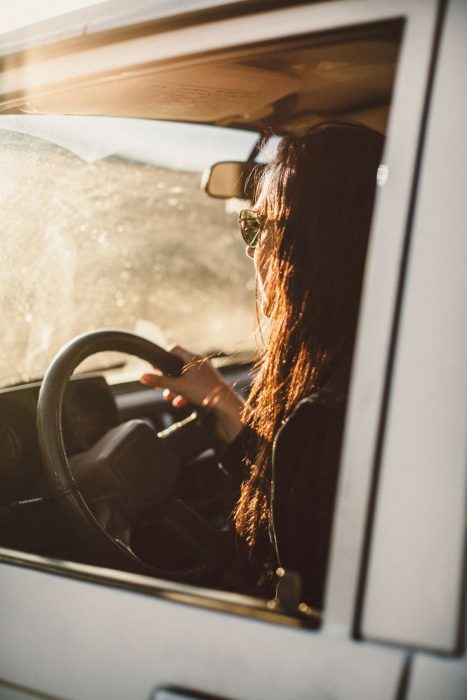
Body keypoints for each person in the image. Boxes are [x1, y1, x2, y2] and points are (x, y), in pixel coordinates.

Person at [141, 121, 384, 610]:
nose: (250, 248)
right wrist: (224, 405)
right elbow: (302, 494)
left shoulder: (331, 413)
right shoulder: (381, 368)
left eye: (257, 226)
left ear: (318, 244)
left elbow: (301, 596)